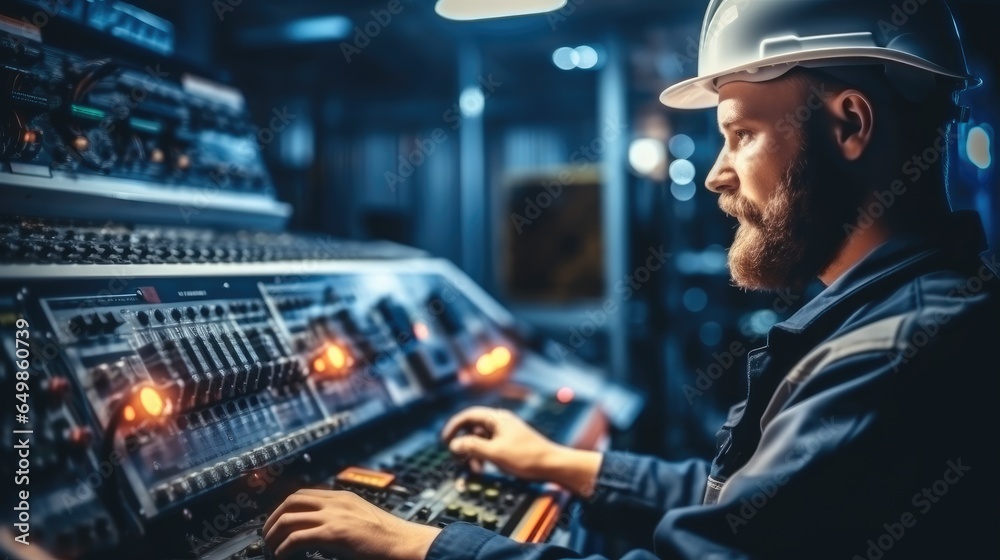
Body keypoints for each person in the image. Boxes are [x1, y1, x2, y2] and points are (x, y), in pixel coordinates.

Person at [261, 0, 998, 558]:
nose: (714, 174)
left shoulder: (895, 356)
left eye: (740, 133)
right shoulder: (891, 316)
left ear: (850, 125)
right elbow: (741, 506)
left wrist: (422, 544)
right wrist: (559, 460)